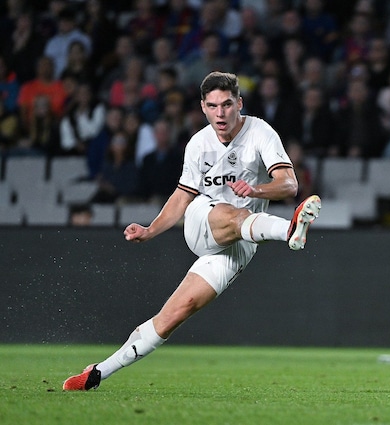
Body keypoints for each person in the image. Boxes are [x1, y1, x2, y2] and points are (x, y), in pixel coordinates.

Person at [63, 72, 322, 391]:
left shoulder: (260, 133)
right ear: (203, 108)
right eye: (212, 106)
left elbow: (290, 184)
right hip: (203, 222)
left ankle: (98, 372)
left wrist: (256, 190)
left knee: (175, 314)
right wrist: (150, 230)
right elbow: (182, 196)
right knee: (234, 213)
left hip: (241, 243)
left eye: (227, 105)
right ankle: (289, 230)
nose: (221, 113)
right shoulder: (198, 144)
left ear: (239, 103)